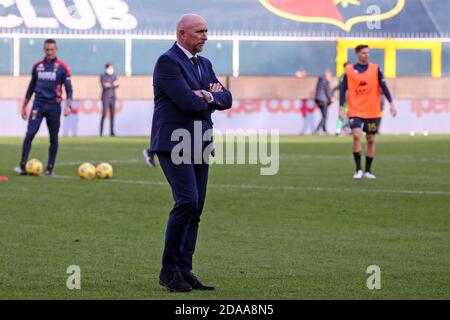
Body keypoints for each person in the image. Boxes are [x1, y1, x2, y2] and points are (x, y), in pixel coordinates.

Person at [149, 14, 232, 292]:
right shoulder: (167, 62)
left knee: (195, 209)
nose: (205, 36)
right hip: (173, 142)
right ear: (182, 33)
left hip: (200, 141)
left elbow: (227, 98)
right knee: (186, 202)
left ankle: (184, 270)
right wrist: (210, 98)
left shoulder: (204, 64)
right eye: (200, 32)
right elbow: (186, 102)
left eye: (206, 31)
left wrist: (207, 96)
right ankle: (168, 270)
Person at [339, 45, 397, 180]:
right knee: (356, 136)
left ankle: (368, 170)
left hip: (372, 111)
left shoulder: (375, 69)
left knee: (370, 140)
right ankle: (358, 169)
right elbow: (342, 90)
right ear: (358, 54)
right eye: (364, 53)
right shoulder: (349, 71)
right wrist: (341, 107)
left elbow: (384, 86)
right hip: (355, 110)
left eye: (368, 53)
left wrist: (391, 103)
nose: (367, 55)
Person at [17, 39, 72, 176]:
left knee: (54, 138)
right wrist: (24, 106)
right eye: (47, 49)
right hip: (38, 105)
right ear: (44, 49)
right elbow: (31, 87)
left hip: (54, 106)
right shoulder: (37, 66)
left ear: (56, 49)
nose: (49, 52)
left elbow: (69, 89)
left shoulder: (62, 67)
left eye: (52, 49)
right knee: (30, 134)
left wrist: (68, 106)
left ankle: (50, 168)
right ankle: (23, 165)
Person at [100, 63, 119, 136]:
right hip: (105, 98)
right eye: (110, 68)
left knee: (112, 115)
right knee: (104, 114)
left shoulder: (114, 75)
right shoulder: (103, 76)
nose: (111, 69)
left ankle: (112, 132)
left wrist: (110, 84)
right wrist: (113, 84)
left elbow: (118, 83)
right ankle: (101, 132)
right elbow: (104, 85)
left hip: (113, 98)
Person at [314, 69, 334, 135]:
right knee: (324, 116)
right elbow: (328, 91)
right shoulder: (325, 81)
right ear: (327, 75)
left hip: (318, 100)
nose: (330, 77)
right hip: (323, 100)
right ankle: (317, 130)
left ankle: (324, 130)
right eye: (330, 75)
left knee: (323, 116)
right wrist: (331, 99)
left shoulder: (320, 80)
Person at [333, 62, 351, 136]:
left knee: (351, 114)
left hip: (351, 98)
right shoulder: (344, 76)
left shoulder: (349, 75)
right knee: (342, 114)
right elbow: (342, 88)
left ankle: (349, 129)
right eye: (348, 67)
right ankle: (338, 130)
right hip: (345, 98)